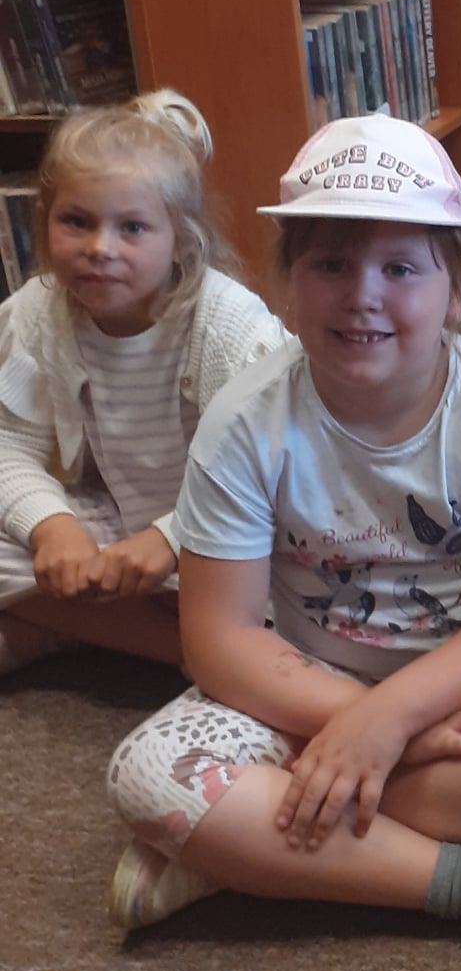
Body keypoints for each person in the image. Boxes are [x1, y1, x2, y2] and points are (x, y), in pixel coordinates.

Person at [105, 114, 461, 953]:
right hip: (303, 689)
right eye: (330, 264)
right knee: (144, 777)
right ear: (288, 283)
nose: (362, 293)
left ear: (453, 289)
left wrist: (394, 717)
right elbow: (218, 637)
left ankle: (242, 852)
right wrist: (365, 720)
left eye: (400, 268)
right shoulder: (245, 420)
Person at [0, 91, 283, 678]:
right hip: (122, 532)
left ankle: (107, 634)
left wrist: (172, 539)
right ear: (44, 222)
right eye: (76, 222)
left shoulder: (226, 323)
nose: (99, 248)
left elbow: (269, 474)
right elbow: (10, 448)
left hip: (234, 538)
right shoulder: (38, 312)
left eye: (132, 227)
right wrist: (53, 528)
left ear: (181, 240)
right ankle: (174, 642)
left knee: (277, 594)